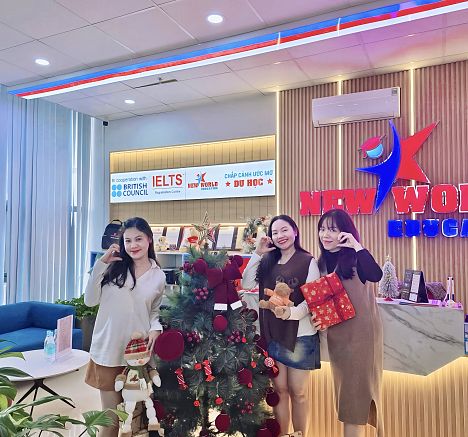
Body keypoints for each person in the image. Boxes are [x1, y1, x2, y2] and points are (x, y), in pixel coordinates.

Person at [84, 217, 166, 437]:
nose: (133, 245)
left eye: (138, 239)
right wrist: (101, 263)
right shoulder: (112, 267)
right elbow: (89, 301)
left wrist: (156, 328)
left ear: (149, 239)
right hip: (108, 352)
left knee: (135, 423)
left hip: (138, 356)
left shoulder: (158, 276)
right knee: (111, 422)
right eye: (128, 240)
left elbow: (154, 311)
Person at [241, 215, 321, 436]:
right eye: (275, 232)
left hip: (300, 336)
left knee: (299, 392)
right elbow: (246, 283)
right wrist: (258, 253)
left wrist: (291, 313)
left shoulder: (308, 261)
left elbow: (311, 300)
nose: (280, 236)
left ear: (295, 231)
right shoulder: (267, 261)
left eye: (284, 230)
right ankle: (283, 433)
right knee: (280, 390)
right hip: (272, 334)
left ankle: (300, 434)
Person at [315, 209, 384, 437]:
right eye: (322, 229)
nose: (325, 235)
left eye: (332, 230)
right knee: (346, 403)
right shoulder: (321, 263)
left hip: (360, 341)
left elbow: (375, 274)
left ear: (345, 233)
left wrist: (356, 245)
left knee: (354, 407)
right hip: (338, 341)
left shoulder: (355, 259)